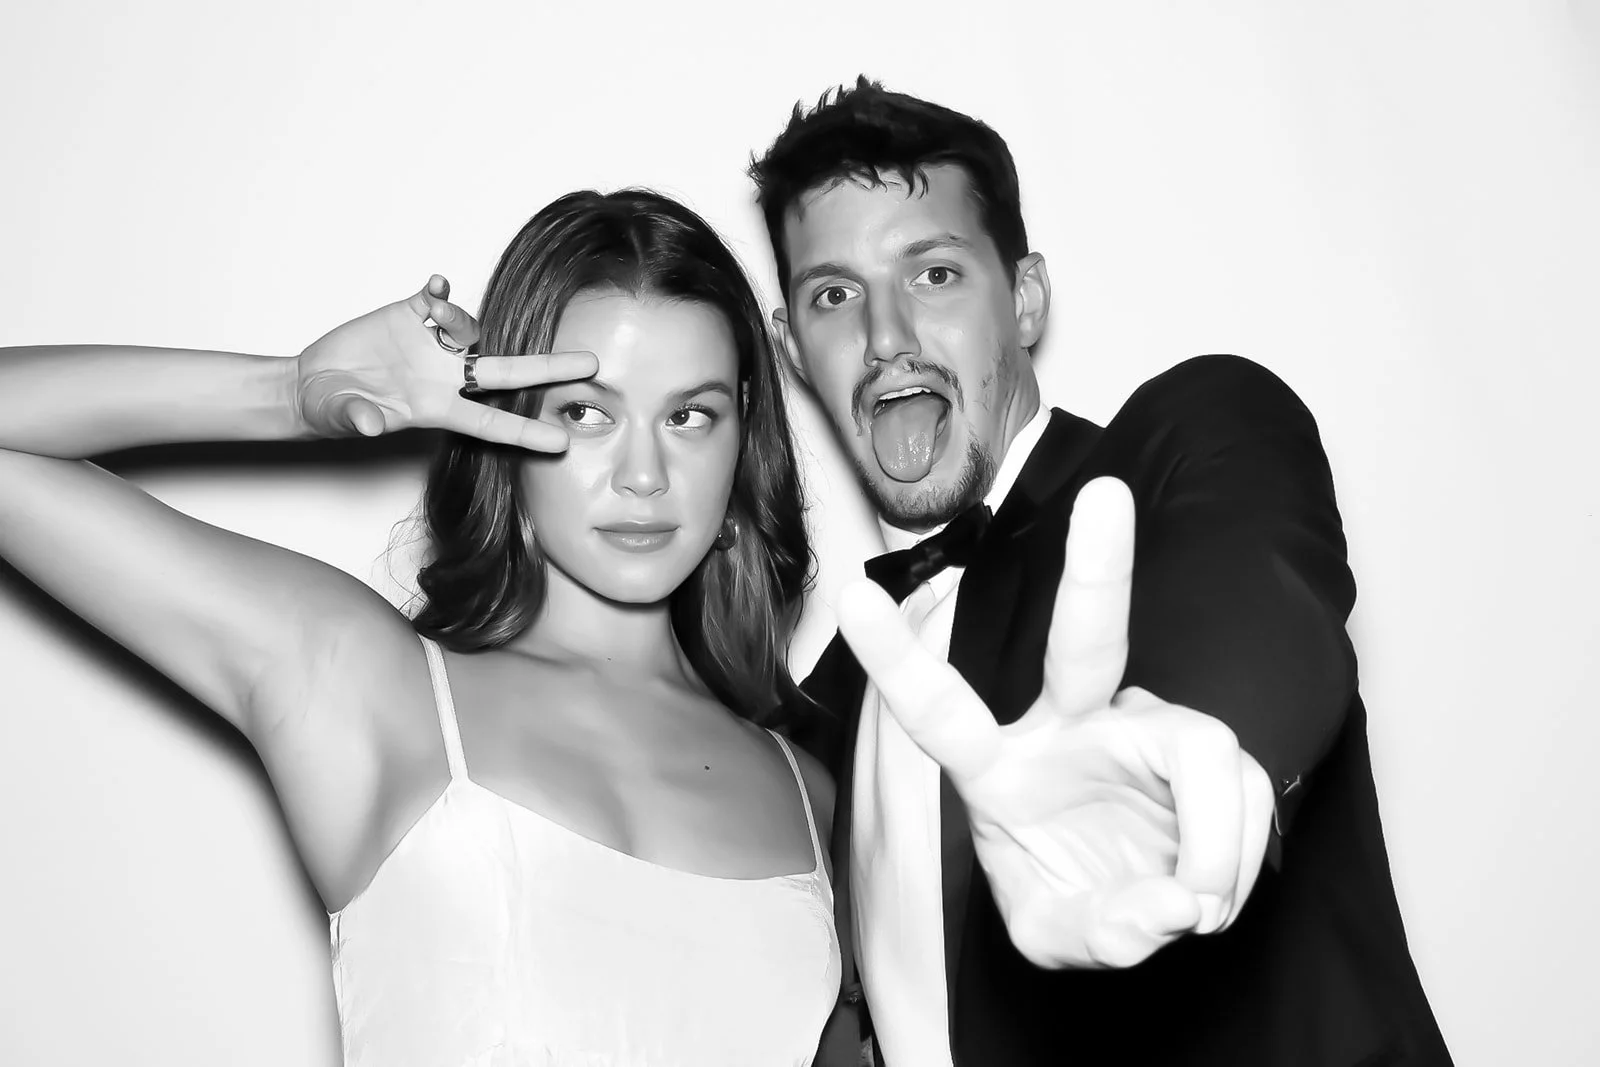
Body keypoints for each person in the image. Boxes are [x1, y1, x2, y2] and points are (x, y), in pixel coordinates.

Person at [0, 189, 841, 1066]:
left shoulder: (814, 796)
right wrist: (286, 393)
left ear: (744, 434)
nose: (643, 474)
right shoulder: (374, 691)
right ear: (511, 418)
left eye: (688, 416)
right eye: (587, 411)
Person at [749, 79, 1454, 1066]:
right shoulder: (820, 712)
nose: (885, 336)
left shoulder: (1181, 452)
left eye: (934, 274)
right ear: (791, 346)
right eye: (834, 294)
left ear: (1025, 298)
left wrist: (1188, 778)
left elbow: (1249, 583)